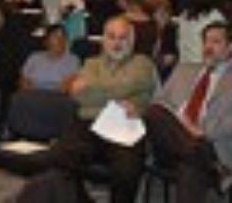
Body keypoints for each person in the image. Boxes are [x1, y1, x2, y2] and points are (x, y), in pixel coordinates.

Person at [33, 16, 158, 203]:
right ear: (103, 40)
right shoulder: (92, 63)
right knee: (56, 159)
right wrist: (114, 95)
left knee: (127, 171)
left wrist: (91, 88)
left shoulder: (143, 64)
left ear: (131, 41)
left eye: (122, 37)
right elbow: (78, 95)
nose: (116, 43)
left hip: (125, 126)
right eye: (111, 37)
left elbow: (124, 86)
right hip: (88, 124)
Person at [145, 21, 232, 203]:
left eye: (216, 42)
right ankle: (207, 160)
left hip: (212, 145)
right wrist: (184, 127)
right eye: (206, 41)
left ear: (230, 47)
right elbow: (160, 103)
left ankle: (201, 155)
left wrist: (201, 130)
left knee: (190, 168)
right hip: (172, 146)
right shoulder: (183, 70)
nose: (208, 47)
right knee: (154, 111)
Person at [20, 24, 79, 92]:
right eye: (55, 36)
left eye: (63, 37)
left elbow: (68, 85)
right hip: (34, 95)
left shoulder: (72, 60)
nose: (60, 40)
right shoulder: (34, 57)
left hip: (57, 97)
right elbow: (23, 80)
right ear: (46, 40)